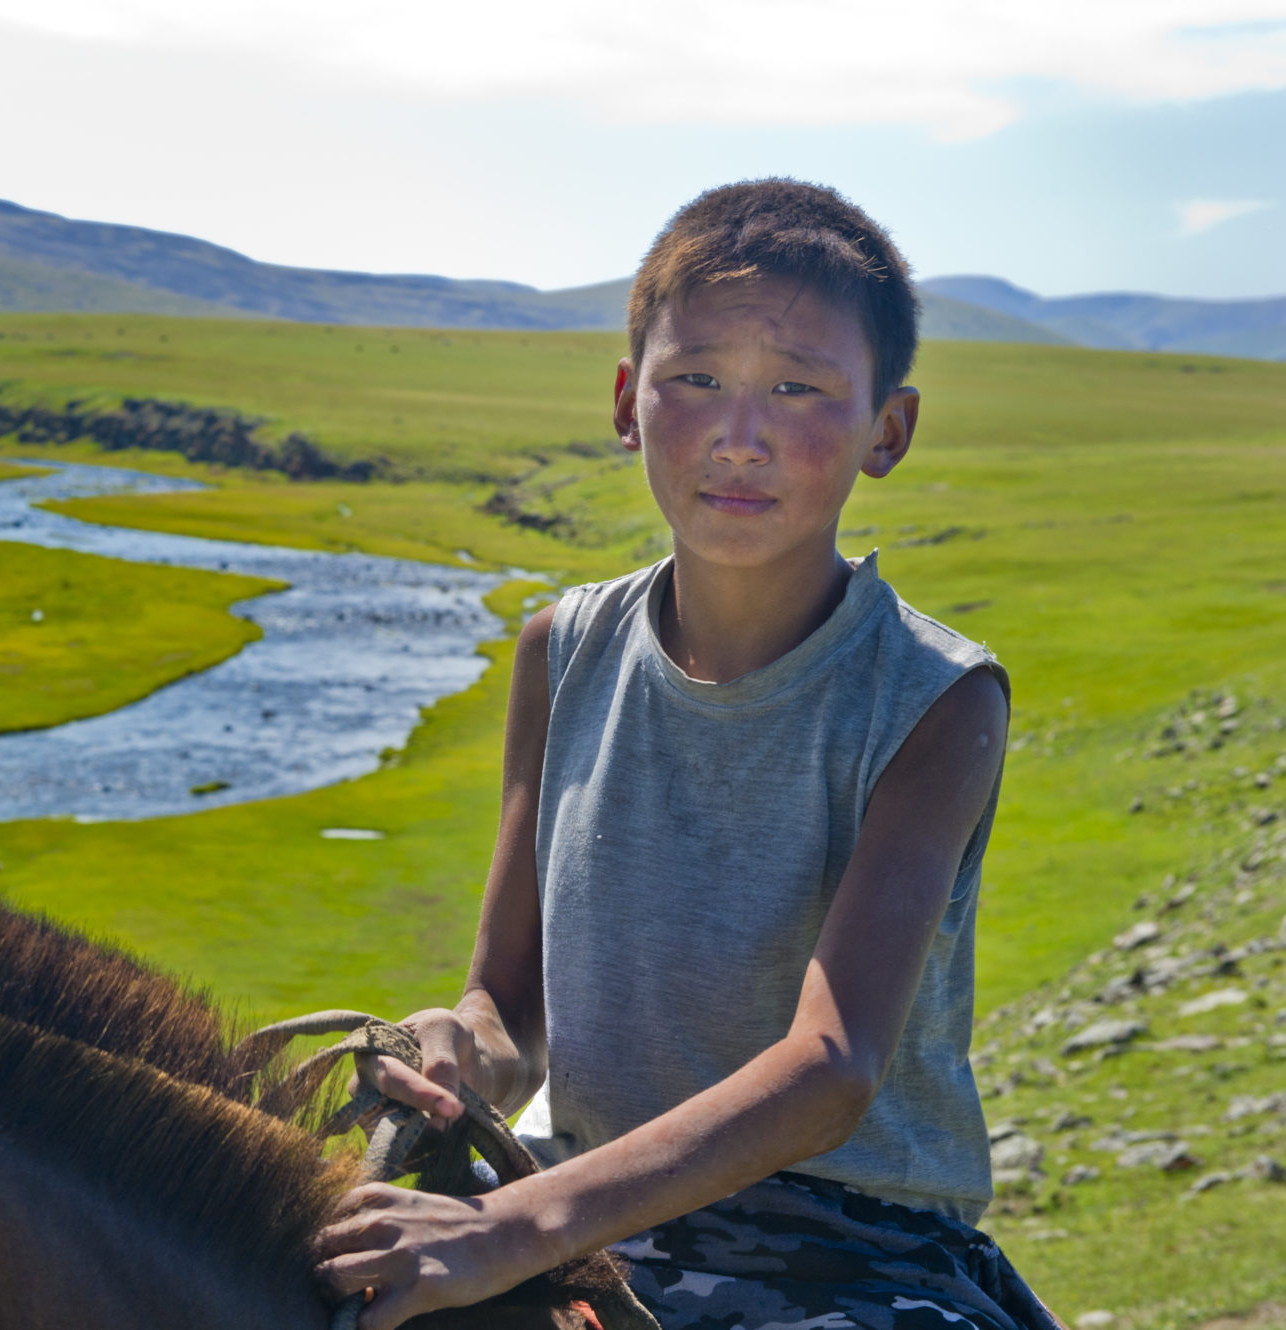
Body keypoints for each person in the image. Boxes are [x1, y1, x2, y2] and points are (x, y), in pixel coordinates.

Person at [314, 180, 1059, 1330]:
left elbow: (833, 1066)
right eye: (695, 378)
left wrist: (511, 1228)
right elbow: (512, 1010)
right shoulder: (560, 650)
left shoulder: (932, 697)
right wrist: (453, 1046)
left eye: (799, 389)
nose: (739, 435)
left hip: (845, 1240)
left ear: (885, 431)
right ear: (627, 401)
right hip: (581, 1199)